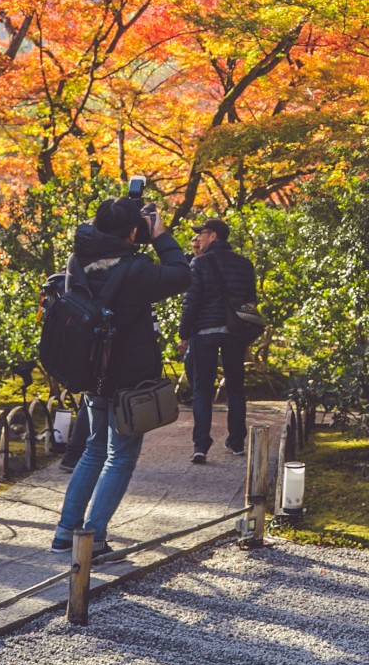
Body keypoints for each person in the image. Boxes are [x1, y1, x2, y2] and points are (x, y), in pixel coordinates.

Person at [52, 192, 189, 552]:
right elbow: (180, 275)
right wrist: (160, 236)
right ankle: (94, 538)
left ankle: (65, 534)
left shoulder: (77, 259)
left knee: (93, 450)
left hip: (92, 369)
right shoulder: (136, 269)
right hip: (129, 377)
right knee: (121, 455)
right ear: (132, 232)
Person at [179, 216, 258, 465]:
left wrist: (183, 333)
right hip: (234, 333)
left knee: (202, 390)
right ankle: (236, 442)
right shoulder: (244, 265)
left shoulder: (199, 263)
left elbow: (191, 301)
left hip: (205, 332)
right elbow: (251, 304)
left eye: (201, 233)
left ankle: (201, 445)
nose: (198, 238)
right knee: (236, 388)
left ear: (213, 236)